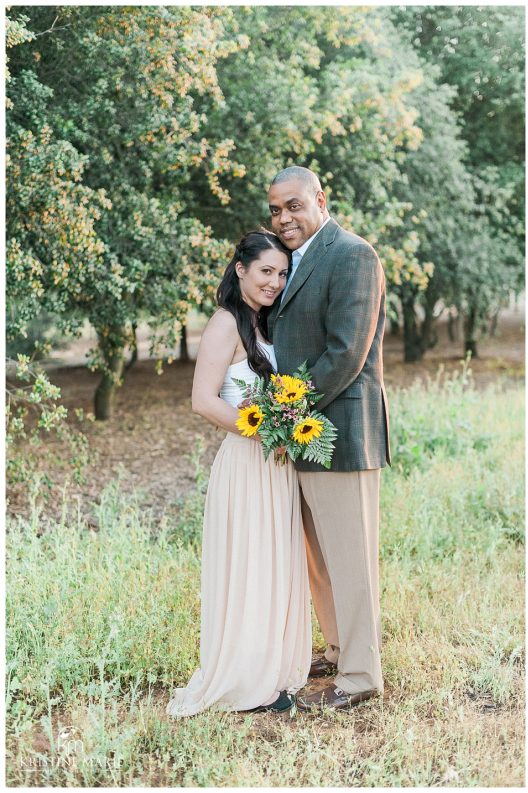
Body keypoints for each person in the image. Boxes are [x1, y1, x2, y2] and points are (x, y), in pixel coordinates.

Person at [165, 230, 312, 717]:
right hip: (247, 463)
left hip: (276, 467)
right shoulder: (226, 323)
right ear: (241, 269)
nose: (274, 281)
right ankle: (244, 681)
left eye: (282, 273)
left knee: (274, 567)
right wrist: (265, 429)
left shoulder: (264, 324)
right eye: (265, 271)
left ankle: (270, 673)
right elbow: (201, 400)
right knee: (249, 568)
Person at [267, 166, 391, 712]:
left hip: (341, 430)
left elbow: (346, 353)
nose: (283, 218)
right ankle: (339, 649)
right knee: (317, 556)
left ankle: (362, 676)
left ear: (320, 199)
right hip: (302, 434)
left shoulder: (352, 254)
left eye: (293, 205)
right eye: (275, 209)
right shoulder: (290, 261)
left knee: (351, 557)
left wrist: (284, 409)